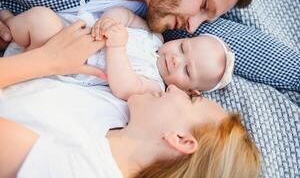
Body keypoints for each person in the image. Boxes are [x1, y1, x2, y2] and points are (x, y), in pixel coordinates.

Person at [1, 0, 298, 91]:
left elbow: (245, 52)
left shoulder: (169, 35)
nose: (193, 26)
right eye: (205, 5)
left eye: (207, 17)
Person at [0, 81, 260, 178]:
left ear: (180, 139)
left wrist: (42, 62)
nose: (174, 88)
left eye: (191, 99)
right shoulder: (119, 114)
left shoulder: (81, 169)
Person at [4, 6, 234, 99]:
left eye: (186, 70)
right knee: (41, 19)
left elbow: (125, 87)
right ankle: (8, 30)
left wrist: (117, 47)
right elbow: (125, 15)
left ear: (187, 90)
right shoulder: (153, 36)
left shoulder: (154, 86)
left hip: (69, 71)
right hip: (65, 35)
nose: (176, 59)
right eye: (183, 48)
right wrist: (110, 21)